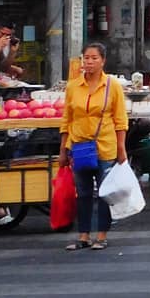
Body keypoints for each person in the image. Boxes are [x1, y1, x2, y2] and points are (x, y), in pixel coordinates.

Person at [59, 41, 129, 251]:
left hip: (105, 146)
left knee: (105, 192)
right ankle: (83, 235)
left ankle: (101, 235)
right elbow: (67, 119)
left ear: (103, 61)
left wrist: (121, 147)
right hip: (79, 147)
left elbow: (120, 120)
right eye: (86, 58)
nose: (89, 62)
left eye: (94, 58)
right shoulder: (73, 86)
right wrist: (63, 149)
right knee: (83, 192)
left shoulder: (112, 85)